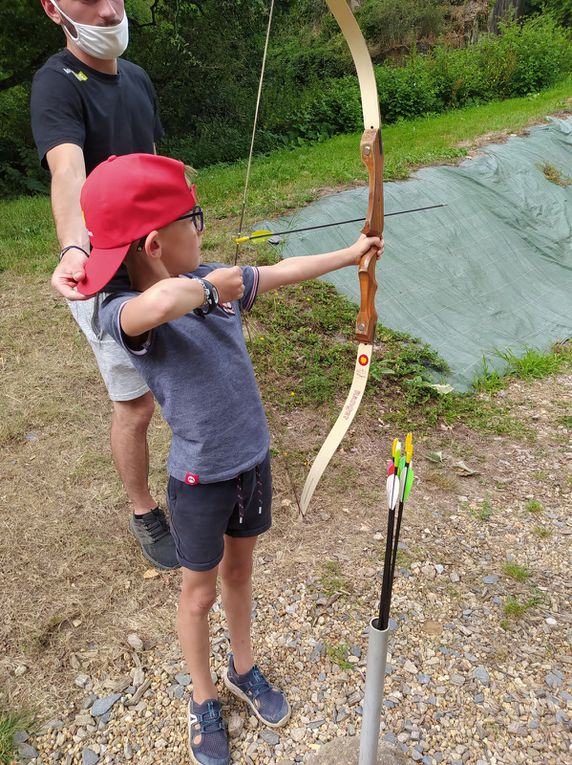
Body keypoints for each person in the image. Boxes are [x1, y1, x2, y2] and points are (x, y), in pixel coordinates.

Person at [77, 152, 383, 765]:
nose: (204, 230)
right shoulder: (121, 313)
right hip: (197, 481)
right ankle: (203, 695)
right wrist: (208, 288)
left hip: (251, 463)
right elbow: (155, 308)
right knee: (198, 594)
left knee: (239, 574)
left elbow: (281, 270)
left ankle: (243, 668)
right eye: (196, 219)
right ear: (157, 243)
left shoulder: (214, 281)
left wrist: (352, 255)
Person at [30, 0, 179, 569]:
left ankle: (201, 478)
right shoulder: (56, 83)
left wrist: (178, 211)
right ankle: (145, 512)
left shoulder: (137, 78)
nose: (109, 8)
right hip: (103, 271)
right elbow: (69, 172)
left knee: (182, 370)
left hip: (154, 254)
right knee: (135, 405)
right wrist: (75, 249)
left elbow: (150, 163)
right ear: (52, 9)